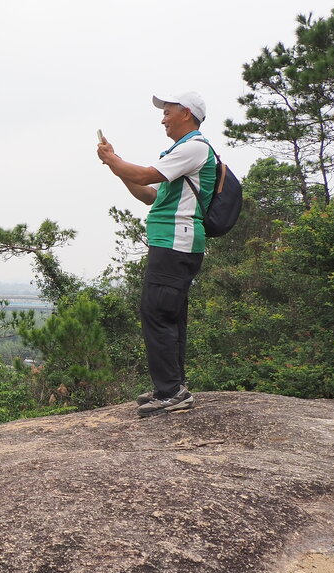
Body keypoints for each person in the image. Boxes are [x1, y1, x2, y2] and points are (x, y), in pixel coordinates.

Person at [96, 92, 216, 417]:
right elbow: (150, 194)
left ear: (186, 113)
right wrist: (117, 166)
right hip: (175, 242)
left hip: (176, 241)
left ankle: (171, 392)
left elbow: (145, 175)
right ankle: (172, 386)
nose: (163, 119)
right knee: (168, 313)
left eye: (168, 112)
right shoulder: (181, 152)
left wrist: (113, 159)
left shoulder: (194, 147)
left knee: (157, 312)